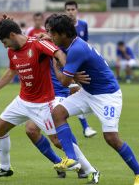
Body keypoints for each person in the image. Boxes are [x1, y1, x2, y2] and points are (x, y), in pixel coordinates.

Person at [0, 18, 99, 184]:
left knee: (59, 141)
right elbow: (11, 72)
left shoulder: (37, 44)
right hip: (22, 101)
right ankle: (5, 168)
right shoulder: (12, 51)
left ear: (13, 35)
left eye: (5, 41)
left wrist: (70, 73)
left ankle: (92, 171)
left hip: (43, 104)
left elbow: (58, 53)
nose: (4, 45)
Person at [46, 14, 139, 185]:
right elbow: (69, 73)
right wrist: (72, 74)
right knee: (58, 113)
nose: (52, 37)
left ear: (63, 33)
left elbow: (64, 82)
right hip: (88, 93)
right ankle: (71, 158)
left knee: (111, 138)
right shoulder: (72, 45)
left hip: (107, 95)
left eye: (53, 34)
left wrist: (57, 67)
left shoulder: (76, 49)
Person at [25, 14, 99, 181]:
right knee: (31, 130)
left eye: (52, 32)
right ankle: (62, 164)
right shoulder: (44, 44)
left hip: (55, 95)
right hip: (41, 97)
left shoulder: (62, 48)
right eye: (48, 31)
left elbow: (68, 63)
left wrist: (73, 78)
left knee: (58, 139)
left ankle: (89, 170)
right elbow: (23, 42)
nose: (50, 34)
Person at [65, 0, 97, 137]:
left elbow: (86, 44)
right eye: (68, 9)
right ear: (65, 11)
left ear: (77, 10)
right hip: (68, 66)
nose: (71, 12)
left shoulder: (83, 25)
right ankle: (86, 127)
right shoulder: (63, 27)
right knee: (75, 92)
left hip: (82, 65)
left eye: (73, 9)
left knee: (86, 92)